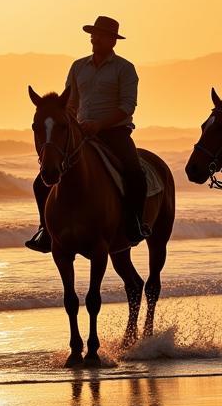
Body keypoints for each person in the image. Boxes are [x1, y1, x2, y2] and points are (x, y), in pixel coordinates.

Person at [25, 15, 150, 252]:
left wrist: (100, 124)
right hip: (80, 132)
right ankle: (46, 230)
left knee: (135, 174)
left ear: (113, 41)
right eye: (93, 34)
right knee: (42, 181)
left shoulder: (125, 68)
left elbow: (127, 106)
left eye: (100, 35)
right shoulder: (78, 66)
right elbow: (70, 103)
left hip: (114, 132)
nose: (95, 38)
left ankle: (134, 224)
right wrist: (70, 122)